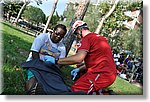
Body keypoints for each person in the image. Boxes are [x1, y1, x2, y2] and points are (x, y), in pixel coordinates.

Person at [44, 20, 117, 94]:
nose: (77, 37)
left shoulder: (87, 39)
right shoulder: (99, 38)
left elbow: (78, 58)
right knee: (79, 84)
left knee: (76, 91)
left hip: (101, 74)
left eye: (76, 34)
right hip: (105, 72)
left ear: (79, 30)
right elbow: (97, 62)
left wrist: (56, 60)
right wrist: (79, 69)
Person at [26, 24, 67, 93]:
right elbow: (34, 52)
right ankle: (31, 92)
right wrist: (41, 67)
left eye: (61, 36)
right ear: (53, 31)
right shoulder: (43, 37)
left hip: (50, 68)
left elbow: (60, 63)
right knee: (34, 76)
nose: (58, 37)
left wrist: (53, 68)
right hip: (35, 63)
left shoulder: (62, 47)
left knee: (55, 80)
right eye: (57, 34)